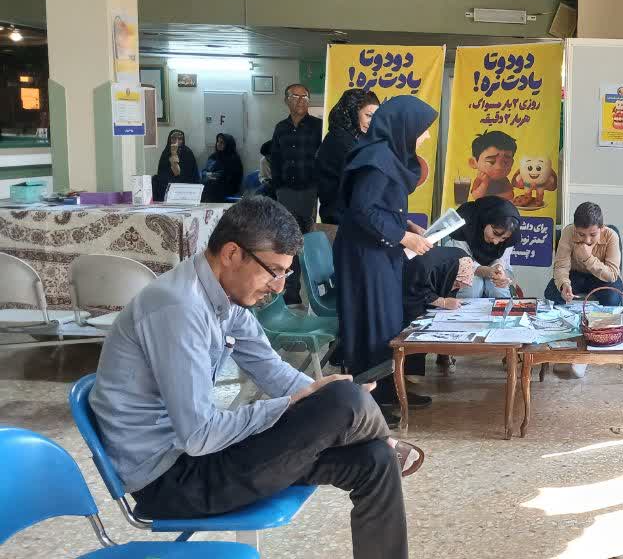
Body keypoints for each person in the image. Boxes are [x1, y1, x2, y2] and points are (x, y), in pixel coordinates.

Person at [87, 196, 424, 559]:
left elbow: (272, 370)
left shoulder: (221, 296)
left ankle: (381, 442)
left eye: (285, 274)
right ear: (232, 254)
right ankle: (382, 434)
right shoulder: (179, 307)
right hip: (173, 481)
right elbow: (199, 435)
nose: (278, 287)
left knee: (374, 457)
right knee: (347, 399)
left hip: (201, 458)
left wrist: (315, 396)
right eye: (273, 271)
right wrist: (297, 405)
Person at [334, 95, 437, 425]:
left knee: (390, 320)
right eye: (423, 129)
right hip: (364, 255)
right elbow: (363, 210)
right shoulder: (376, 158)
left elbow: (381, 206)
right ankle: (371, 399)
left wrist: (407, 226)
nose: (426, 136)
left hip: (379, 249)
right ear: (404, 128)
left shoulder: (388, 155)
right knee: (373, 320)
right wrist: (404, 237)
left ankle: (391, 390)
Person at [270, 83, 323, 304]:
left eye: (305, 97)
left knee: (308, 242)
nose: (301, 100)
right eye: (295, 96)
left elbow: (325, 159)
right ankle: (291, 293)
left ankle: (316, 293)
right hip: (286, 192)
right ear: (286, 100)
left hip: (310, 192)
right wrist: (278, 186)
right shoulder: (280, 128)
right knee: (288, 241)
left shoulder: (318, 126)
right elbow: (275, 158)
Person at [401, 246, 479, 377]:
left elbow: (446, 286)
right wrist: (442, 302)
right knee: (417, 325)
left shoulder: (456, 262)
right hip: (406, 298)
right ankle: (408, 371)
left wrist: (446, 300)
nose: (455, 288)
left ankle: (442, 354)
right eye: (456, 284)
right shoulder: (424, 266)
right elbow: (413, 290)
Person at [317, 89, 381, 225]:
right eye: (368, 115)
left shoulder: (352, 138)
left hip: (344, 215)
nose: (372, 122)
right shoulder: (342, 141)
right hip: (341, 218)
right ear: (352, 113)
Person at [546, 202, 623, 306]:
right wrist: (564, 284)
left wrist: (588, 258)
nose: (587, 240)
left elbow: (612, 275)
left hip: (603, 277)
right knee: (551, 293)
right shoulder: (568, 232)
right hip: (575, 274)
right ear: (575, 228)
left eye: (593, 235)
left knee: (612, 298)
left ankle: (603, 318)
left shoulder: (611, 236)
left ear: (602, 228)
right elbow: (561, 266)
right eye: (581, 234)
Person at [446, 195, 520, 300]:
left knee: (498, 289)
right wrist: (487, 271)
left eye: (503, 238)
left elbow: (502, 259)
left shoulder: (512, 233)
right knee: (472, 288)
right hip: (463, 265)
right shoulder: (465, 221)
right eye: (495, 233)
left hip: (492, 267)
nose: (496, 242)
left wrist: (499, 270)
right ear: (486, 219)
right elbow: (462, 260)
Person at [466, 130, 517, 201]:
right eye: (491, 162)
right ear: (473, 163)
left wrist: (491, 198)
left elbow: (510, 195)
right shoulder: (480, 179)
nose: (499, 167)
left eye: (505, 162)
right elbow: (476, 197)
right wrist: (484, 183)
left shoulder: (503, 180)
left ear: (511, 163)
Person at [152, 129, 198, 202]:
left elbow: (178, 173)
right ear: (169, 140)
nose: (176, 141)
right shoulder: (166, 152)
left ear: (183, 140)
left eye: (180, 139)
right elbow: (161, 173)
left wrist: (174, 153)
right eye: (173, 138)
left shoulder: (187, 153)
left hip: (184, 188)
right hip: (166, 187)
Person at [199, 133, 244, 203]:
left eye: (222, 142)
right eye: (218, 141)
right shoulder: (213, 156)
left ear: (228, 144)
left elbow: (234, 177)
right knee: (204, 185)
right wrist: (208, 174)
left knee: (212, 186)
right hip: (212, 183)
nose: (218, 144)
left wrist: (216, 176)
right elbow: (205, 171)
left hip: (228, 187)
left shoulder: (234, 158)